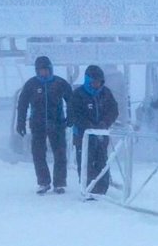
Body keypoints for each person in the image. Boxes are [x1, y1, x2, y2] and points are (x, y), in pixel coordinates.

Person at [15, 55, 72, 194]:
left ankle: (59, 183)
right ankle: (43, 182)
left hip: (57, 123)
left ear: (51, 69)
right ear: (36, 71)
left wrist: (71, 118)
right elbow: (22, 104)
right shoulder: (31, 84)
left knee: (60, 153)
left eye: (46, 70)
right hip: (37, 124)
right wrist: (21, 122)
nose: (44, 73)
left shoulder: (60, 83)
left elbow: (71, 100)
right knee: (38, 154)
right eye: (41, 70)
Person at [69, 65, 119, 196]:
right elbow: (74, 114)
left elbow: (114, 110)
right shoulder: (78, 94)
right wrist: (89, 126)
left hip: (102, 134)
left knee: (102, 161)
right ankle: (88, 189)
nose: (97, 84)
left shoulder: (106, 93)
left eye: (99, 82)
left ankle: (102, 189)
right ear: (87, 80)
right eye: (94, 81)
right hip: (83, 136)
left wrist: (105, 122)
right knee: (86, 162)